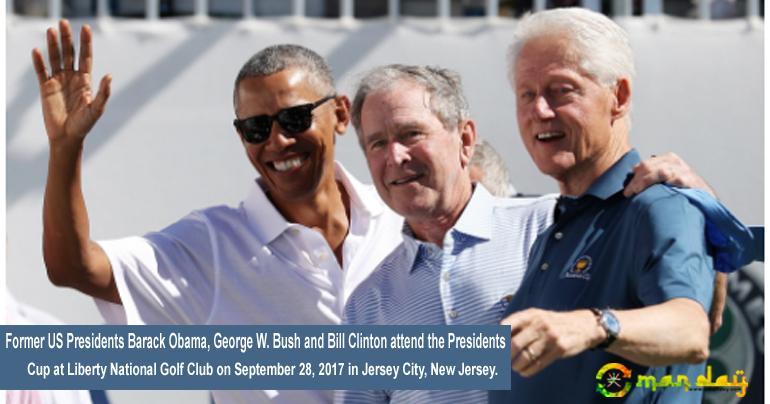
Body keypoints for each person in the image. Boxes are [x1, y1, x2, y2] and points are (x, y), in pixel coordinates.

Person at [32, 20, 403, 404]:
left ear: (341, 114)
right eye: (256, 128)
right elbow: (73, 267)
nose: (277, 141)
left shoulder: (402, 221)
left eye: (295, 118)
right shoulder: (210, 247)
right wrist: (65, 147)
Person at [337, 64, 745, 403]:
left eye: (411, 134)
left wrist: (697, 199)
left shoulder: (552, 226)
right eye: (376, 143)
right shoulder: (368, 304)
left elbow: (691, 311)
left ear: (464, 140)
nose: (395, 157)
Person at [489, 8, 729, 403]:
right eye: (526, 95)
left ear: (618, 97)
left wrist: (592, 326)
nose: (539, 111)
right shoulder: (561, 225)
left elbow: (690, 331)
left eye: (560, 90)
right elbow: (511, 356)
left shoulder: (658, 205)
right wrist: (359, 358)